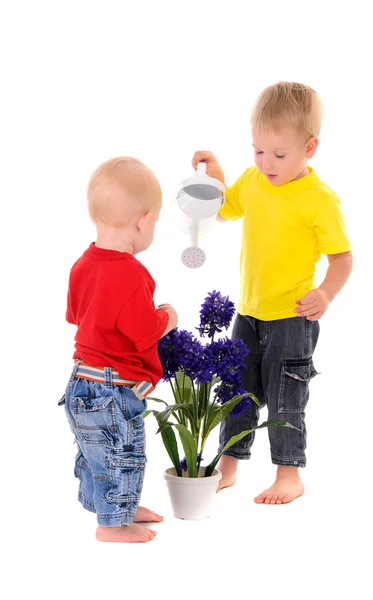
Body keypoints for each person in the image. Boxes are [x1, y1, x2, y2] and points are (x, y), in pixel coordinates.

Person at [192, 81, 352, 505]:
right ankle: (229, 466)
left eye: (278, 155)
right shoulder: (253, 180)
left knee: (286, 397)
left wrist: (326, 293)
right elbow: (225, 209)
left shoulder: (319, 200)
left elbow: (342, 259)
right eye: (258, 151)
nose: (266, 163)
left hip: (292, 316)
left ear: (309, 148)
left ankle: (288, 474)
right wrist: (217, 177)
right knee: (236, 392)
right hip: (248, 311)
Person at [60, 156, 178, 542]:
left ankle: (119, 508)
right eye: (155, 222)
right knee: (122, 454)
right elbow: (145, 332)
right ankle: (112, 525)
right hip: (113, 389)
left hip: (80, 381)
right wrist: (167, 318)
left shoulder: (83, 263)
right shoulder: (130, 273)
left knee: (98, 456)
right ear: (143, 221)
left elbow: (77, 315)